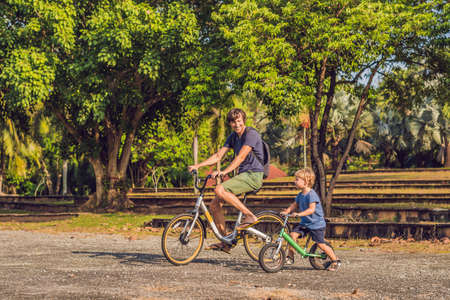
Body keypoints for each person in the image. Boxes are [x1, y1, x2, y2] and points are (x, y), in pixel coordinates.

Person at [188, 108, 265, 253]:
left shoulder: (251, 134)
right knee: (214, 205)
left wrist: (224, 172)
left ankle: (250, 216)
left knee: (219, 189)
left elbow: (241, 157)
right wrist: (198, 165)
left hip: (254, 175)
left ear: (243, 120)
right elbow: (218, 156)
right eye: (233, 122)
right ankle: (226, 242)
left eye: (239, 121)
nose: (237, 124)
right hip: (243, 175)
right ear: (230, 124)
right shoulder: (233, 137)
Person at [281, 167, 341, 271]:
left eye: (297, 179)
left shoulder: (311, 194)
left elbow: (311, 209)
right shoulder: (300, 195)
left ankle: (335, 260)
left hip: (316, 224)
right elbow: (294, 205)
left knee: (321, 244)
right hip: (305, 223)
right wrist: (287, 211)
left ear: (306, 181)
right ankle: (290, 256)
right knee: (292, 236)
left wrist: (299, 214)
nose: (294, 181)